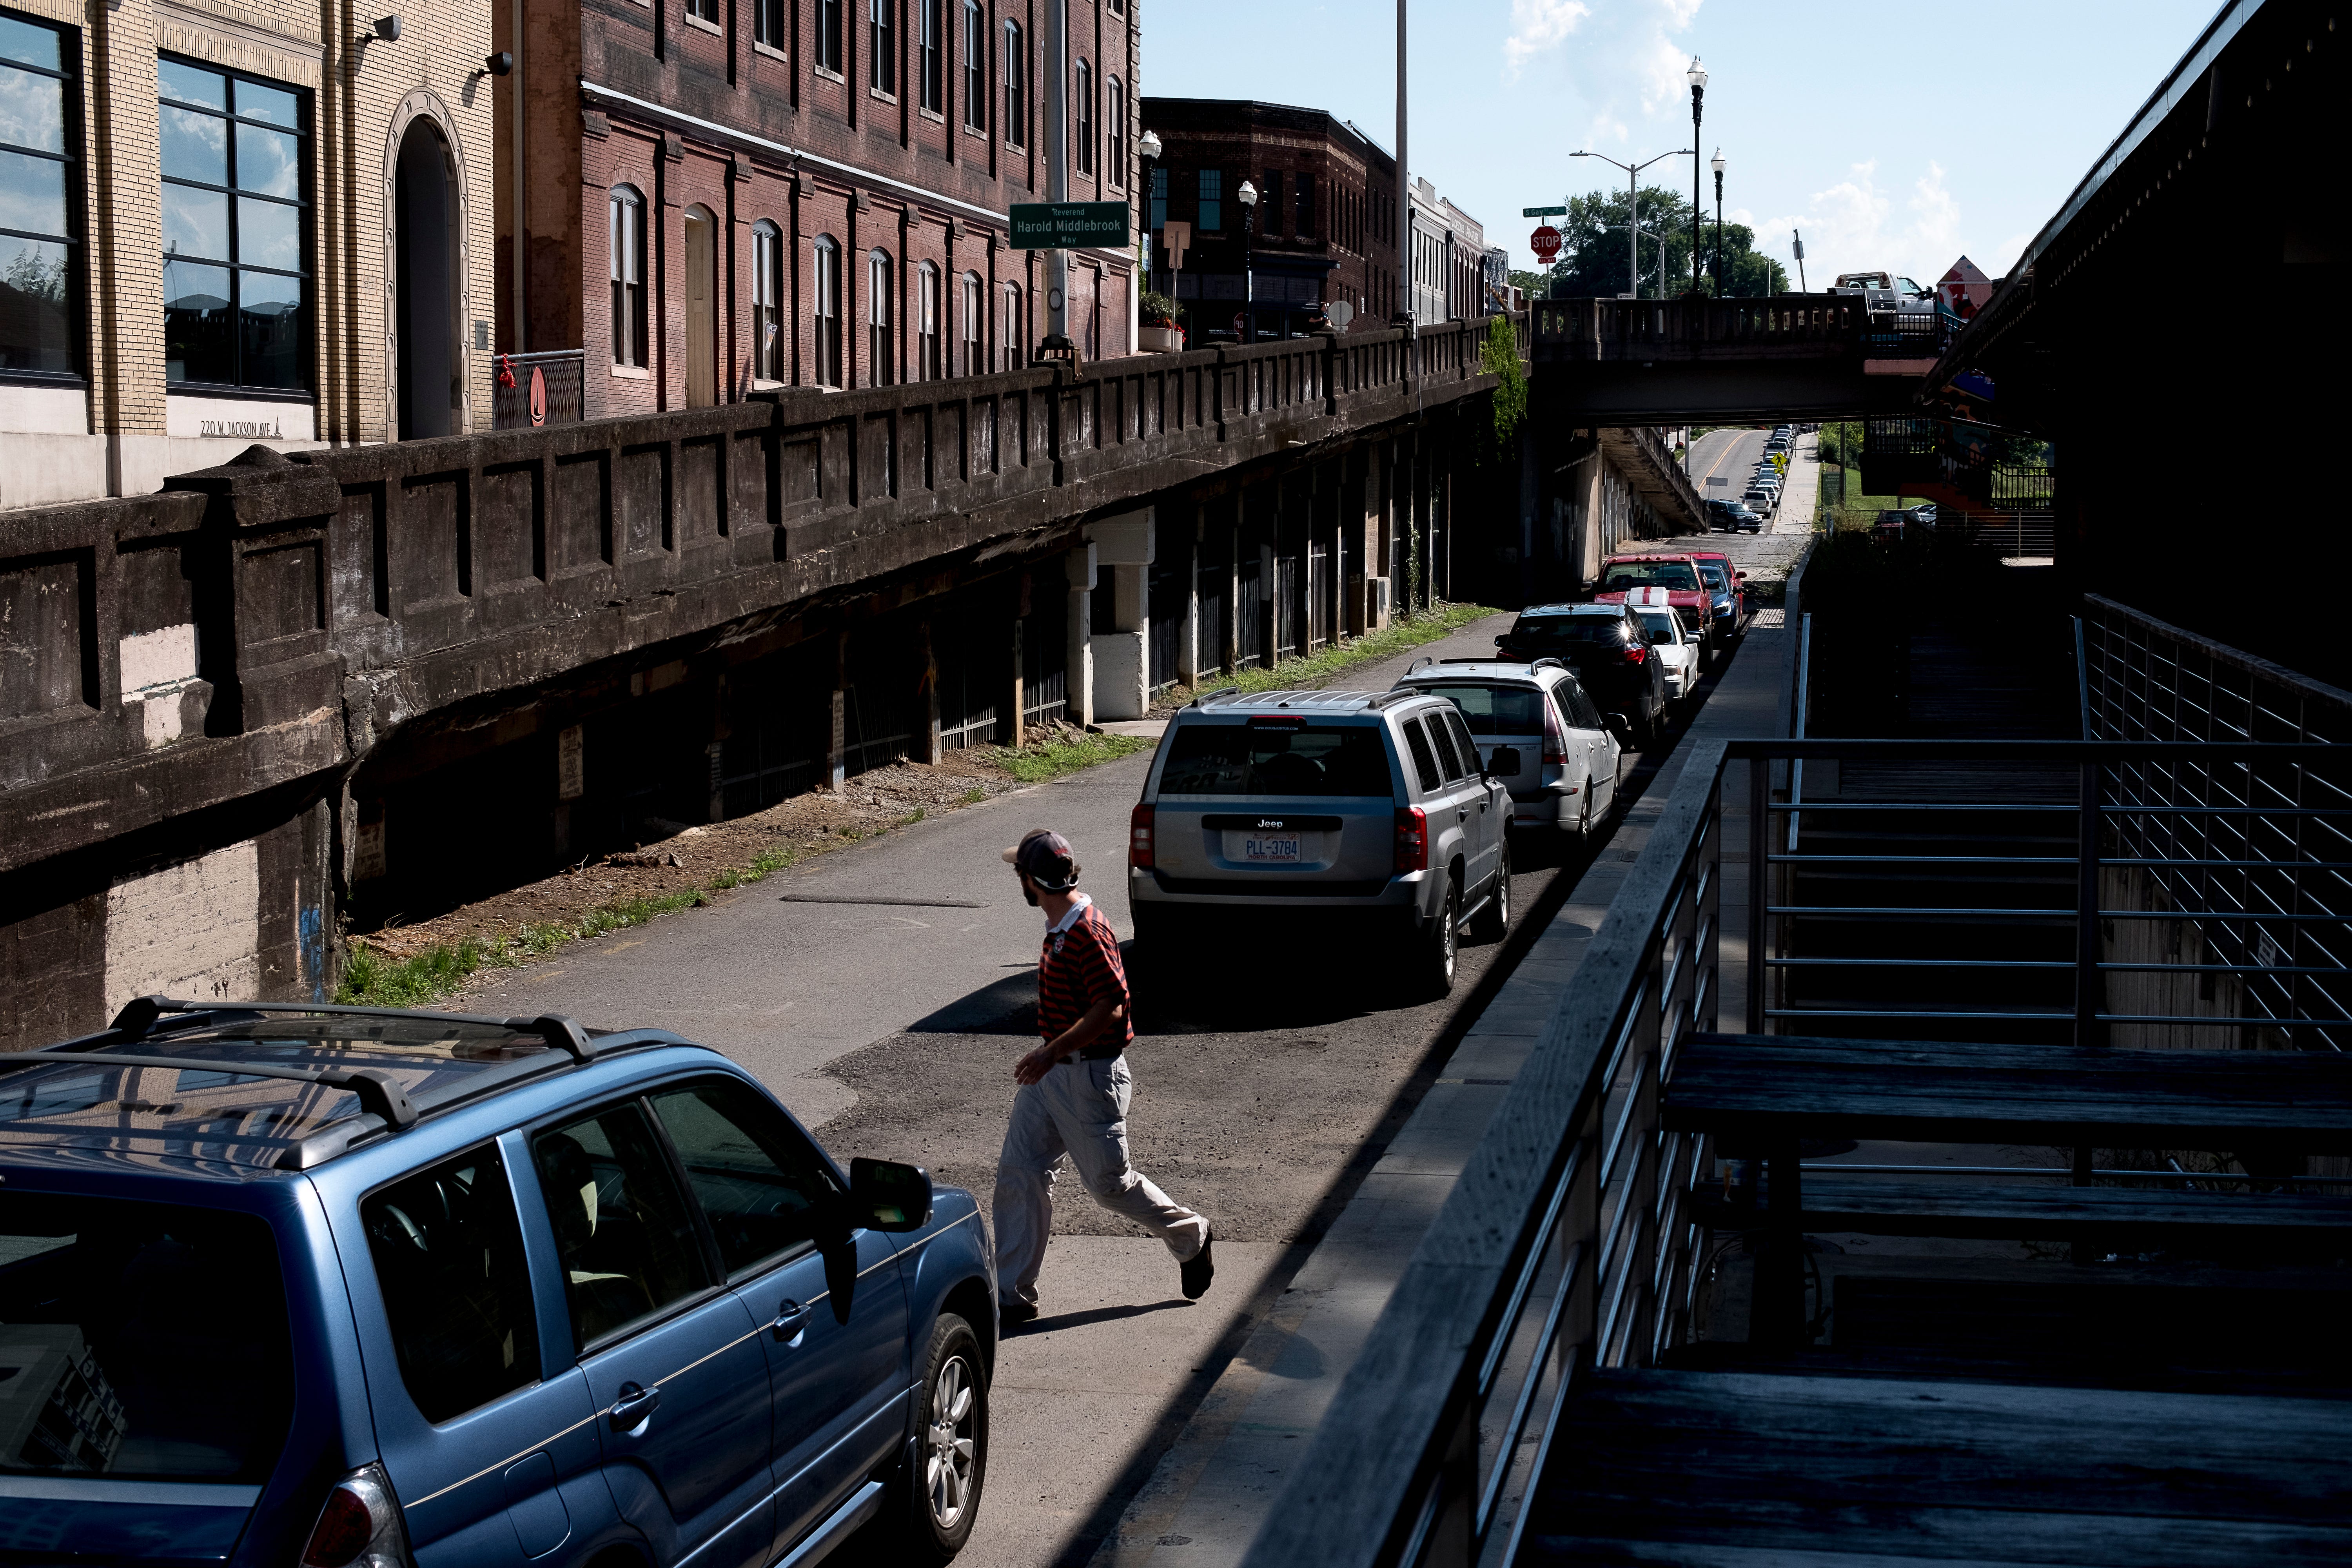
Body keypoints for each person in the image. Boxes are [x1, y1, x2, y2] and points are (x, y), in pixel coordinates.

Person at [991, 828, 1212, 1330]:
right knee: (1020, 1172)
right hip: (1054, 1076)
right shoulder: (1062, 923)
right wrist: (1050, 1057)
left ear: (1034, 879)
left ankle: (1190, 1234)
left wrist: (1052, 1050)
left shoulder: (1087, 930)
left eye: (1019, 873)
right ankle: (1012, 1293)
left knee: (1111, 1187)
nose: (1017, 881)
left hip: (1088, 1077)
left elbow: (1111, 1006)